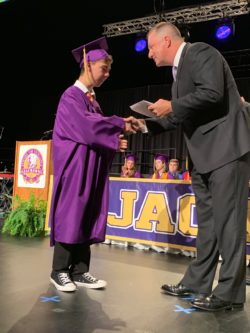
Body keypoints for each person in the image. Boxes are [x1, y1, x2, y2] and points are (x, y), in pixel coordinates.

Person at [131, 22, 250, 311]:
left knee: (230, 224)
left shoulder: (201, 53)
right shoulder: (178, 74)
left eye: (152, 47)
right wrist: (145, 126)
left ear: (168, 41)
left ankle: (229, 294)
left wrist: (172, 105)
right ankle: (197, 282)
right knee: (208, 224)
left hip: (226, 150)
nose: (149, 54)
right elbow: (181, 115)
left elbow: (212, 93)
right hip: (204, 157)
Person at [49, 37, 134, 292]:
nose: (107, 74)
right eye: (103, 69)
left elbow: (96, 132)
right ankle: (59, 271)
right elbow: (86, 127)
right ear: (87, 64)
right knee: (72, 213)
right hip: (75, 167)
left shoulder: (93, 100)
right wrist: (118, 124)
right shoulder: (70, 96)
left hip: (90, 166)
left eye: (109, 70)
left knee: (87, 213)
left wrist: (113, 142)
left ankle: (80, 270)